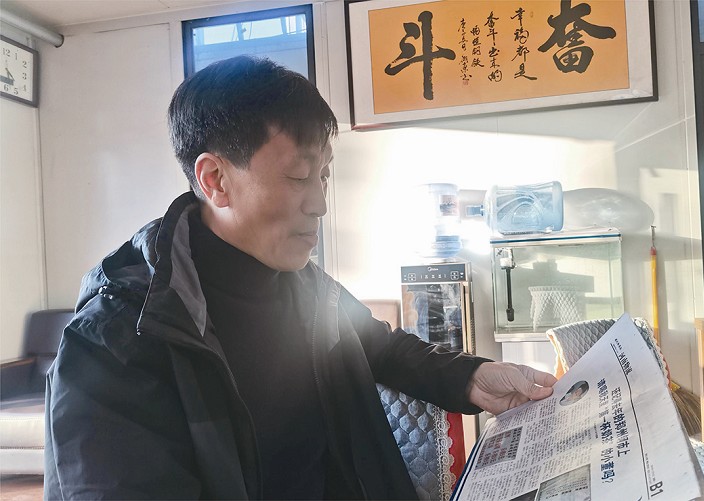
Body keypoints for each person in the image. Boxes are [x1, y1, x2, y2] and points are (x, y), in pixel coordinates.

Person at [44, 55, 556, 500]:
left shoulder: (306, 286)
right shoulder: (115, 342)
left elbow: (381, 346)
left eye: (324, 175)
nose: (320, 204)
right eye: (297, 177)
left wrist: (473, 377)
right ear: (215, 180)